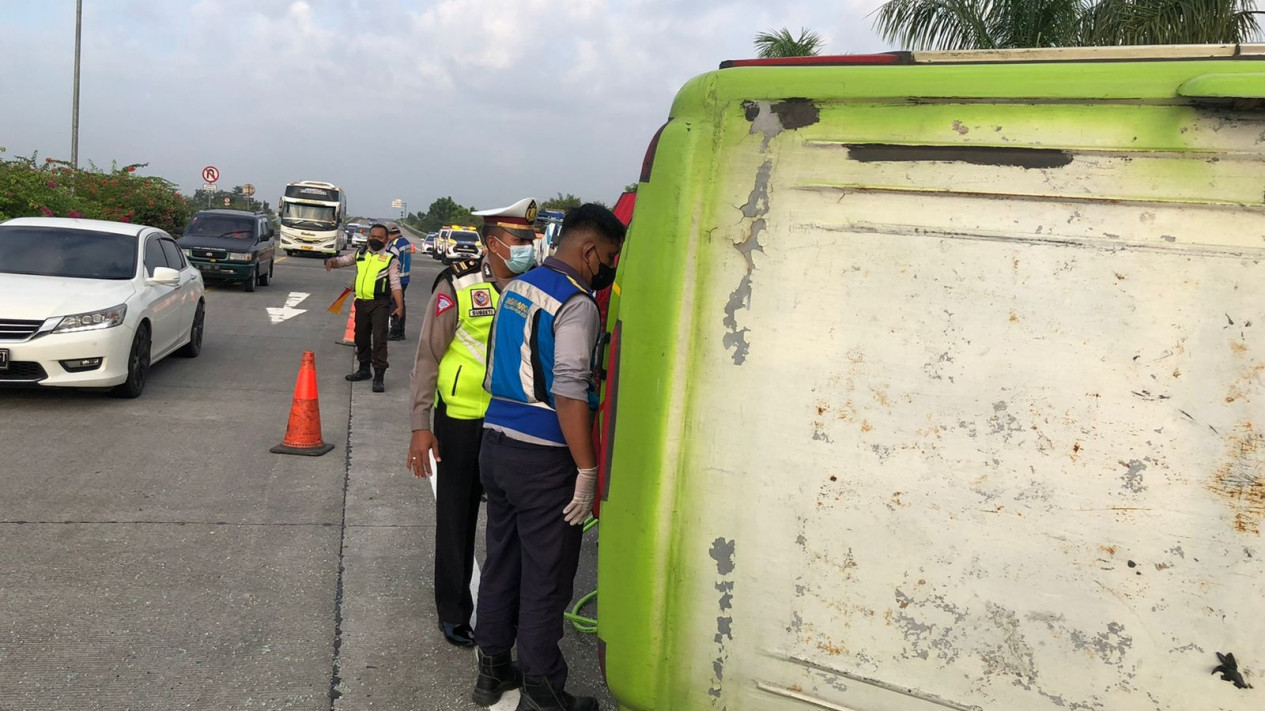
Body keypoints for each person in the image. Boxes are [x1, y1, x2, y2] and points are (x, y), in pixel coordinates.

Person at [471, 204, 625, 711]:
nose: (608, 268)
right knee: (547, 574)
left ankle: (492, 668)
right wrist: (586, 469)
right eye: (608, 258)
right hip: (544, 459)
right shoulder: (576, 303)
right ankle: (542, 684)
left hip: (494, 444)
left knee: (502, 563)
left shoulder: (518, 285)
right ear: (588, 251)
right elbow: (569, 391)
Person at [406, 198, 540, 652]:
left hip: (515, 423)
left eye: (530, 239)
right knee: (457, 519)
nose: (527, 247)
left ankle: (507, 611)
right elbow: (428, 354)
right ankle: (453, 611)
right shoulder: (458, 283)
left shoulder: (535, 287)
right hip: (462, 421)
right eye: (519, 240)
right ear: (493, 243)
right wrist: (420, 423)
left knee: (510, 523)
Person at [324, 223, 404, 393]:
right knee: (360, 337)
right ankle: (364, 369)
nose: (375, 239)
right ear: (368, 237)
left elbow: (396, 284)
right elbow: (343, 261)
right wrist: (332, 262)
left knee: (379, 339)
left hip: (380, 304)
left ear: (387, 239)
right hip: (361, 302)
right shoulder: (361, 254)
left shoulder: (391, 259)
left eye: (379, 237)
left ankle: (379, 376)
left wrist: (400, 305)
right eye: (372, 236)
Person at [386, 223, 413, 341]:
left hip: (397, 279)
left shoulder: (394, 246)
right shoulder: (406, 242)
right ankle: (400, 331)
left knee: (395, 305)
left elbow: (390, 263)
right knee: (401, 304)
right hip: (405, 278)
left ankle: (395, 331)